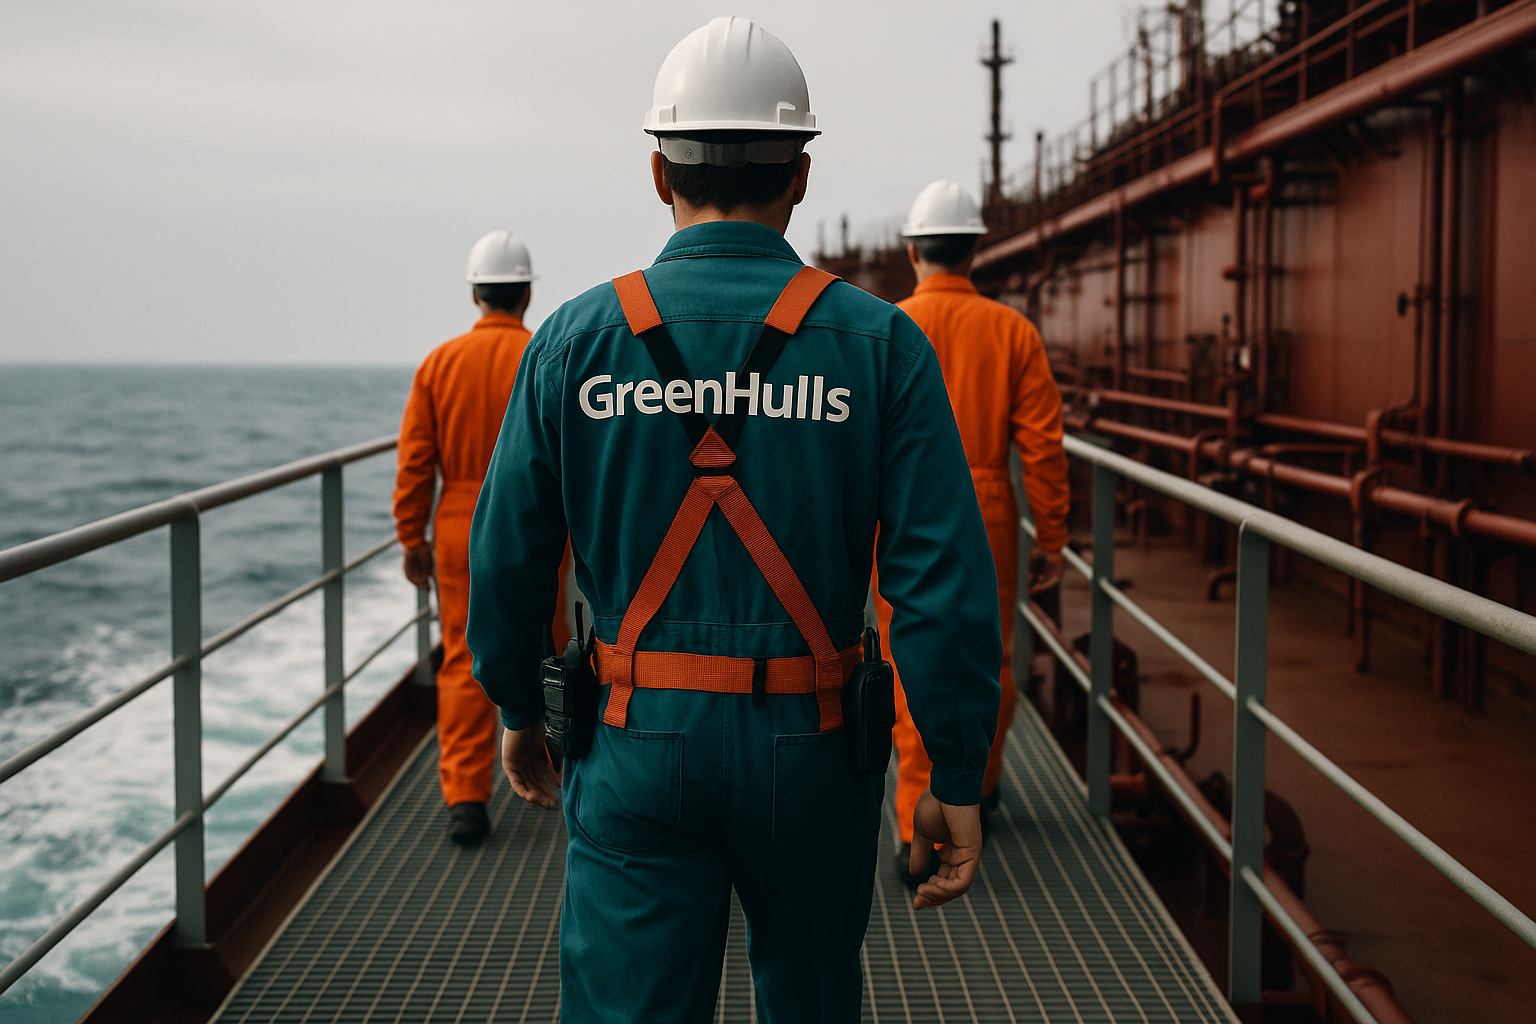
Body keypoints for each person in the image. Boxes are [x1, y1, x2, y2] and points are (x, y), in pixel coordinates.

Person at [467, 18, 1001, 1022]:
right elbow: (937, 583)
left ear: (656, 170)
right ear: (800, 173)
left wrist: (515, 707)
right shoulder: (880, 347)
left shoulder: (575, 343)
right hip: (817, 742)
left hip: (631, 740)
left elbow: (506, 559)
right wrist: (957, 770)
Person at [876, 180, 1070, 887]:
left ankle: (913, 830)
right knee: (992, 655)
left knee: (910, 663)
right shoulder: (1013, 332)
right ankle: (978, 789)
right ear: (975, 249)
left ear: (913, 249)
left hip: (901, 514)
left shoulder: (888, 326)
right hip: (988, 505)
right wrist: (1052, 536)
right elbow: (1043, 448)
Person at [393, 230, 570, 846]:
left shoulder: (439, 364)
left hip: (459, 524)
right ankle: (560, 770)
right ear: (524, 294)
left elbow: (416, 460)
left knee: (463, 656)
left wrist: (410, 534)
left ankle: (466, 796)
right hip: (541, 520)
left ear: (476, 293)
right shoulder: (548, 353)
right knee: (550, 644)